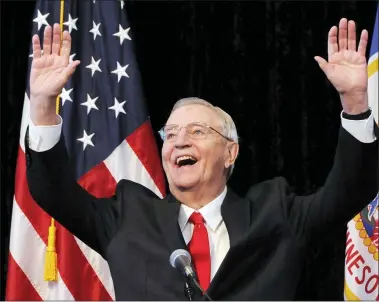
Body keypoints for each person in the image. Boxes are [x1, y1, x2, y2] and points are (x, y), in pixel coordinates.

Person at [25, 18, 377, 300]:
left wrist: (356, 103)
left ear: (230, 152)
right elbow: (52, 192)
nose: (179, 142)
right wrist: (42, 106)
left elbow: (349, 192)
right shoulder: (128, 217)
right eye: (171, 134)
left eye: (196, 132)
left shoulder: (277, 213)